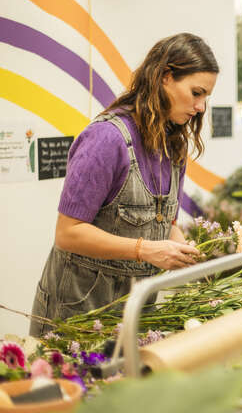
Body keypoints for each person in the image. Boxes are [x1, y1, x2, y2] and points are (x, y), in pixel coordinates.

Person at [30, 33, 219, 336]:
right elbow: (68, 233)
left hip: (136, 313)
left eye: (205, 98)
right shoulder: (106, 140)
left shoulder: (174, 146)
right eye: (196, 92)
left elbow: (164, 223)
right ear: (165, 77)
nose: (199, 107)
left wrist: (183, 249)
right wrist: (145, 250)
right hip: (77, 313)